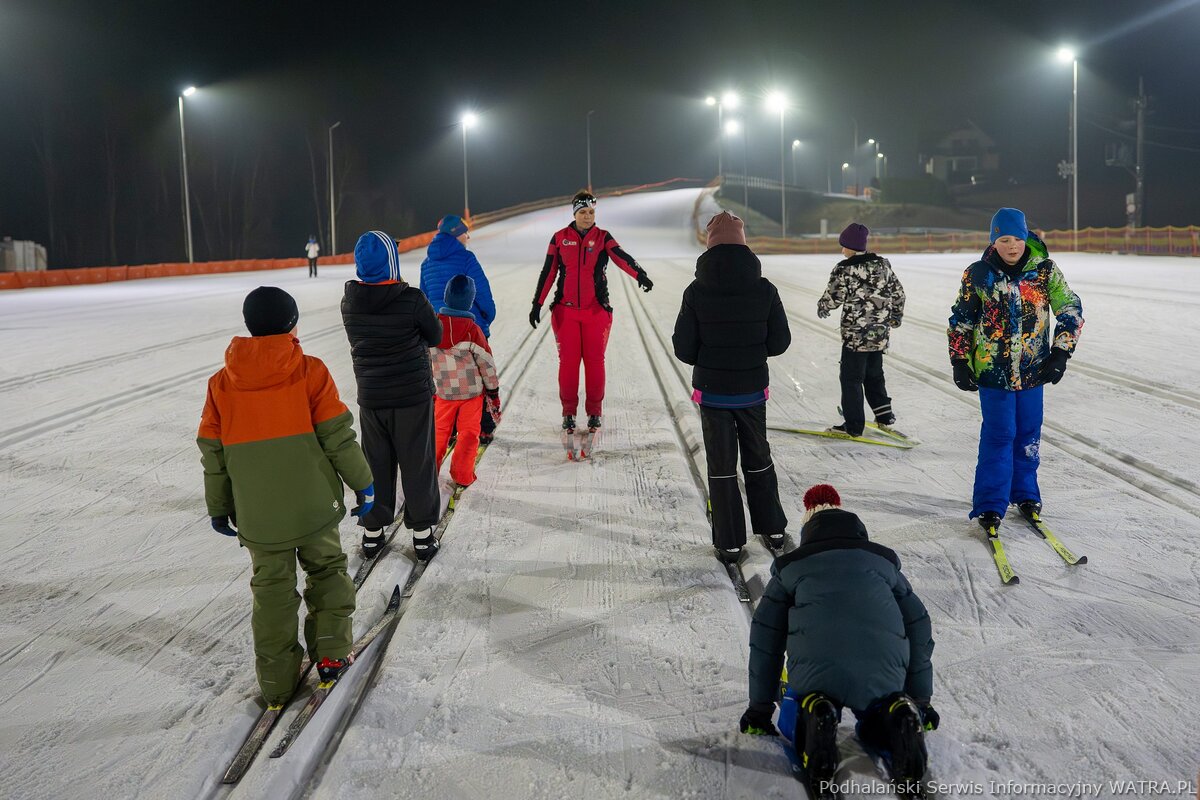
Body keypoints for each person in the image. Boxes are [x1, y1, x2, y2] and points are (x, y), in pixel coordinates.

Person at [197, 286, 375, 703]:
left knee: (272, 592)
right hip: (314, 506)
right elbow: (338, 437)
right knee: (327, 572)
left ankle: (276, 682)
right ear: (293, 323)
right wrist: (363, 483)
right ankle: (331, 654)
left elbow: (213, 454)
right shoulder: (310, 371)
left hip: (259, 516)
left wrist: (219, 507)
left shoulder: (220, 385)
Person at [739, 484, 937, 796]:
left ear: (807, 530)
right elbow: (918, 624)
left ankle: (814, 711)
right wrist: (921, 701)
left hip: (817, 673)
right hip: (882, 671)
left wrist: (759, 710)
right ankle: (896, 713)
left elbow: (766, 638)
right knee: (878, 712)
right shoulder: (883, 563)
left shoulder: (791, 568)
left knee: (795, 712)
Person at [948, 207, 1084, 530]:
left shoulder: (1045, 272)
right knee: (999, 434)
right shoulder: (978, 274)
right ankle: (990, 502)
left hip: (1033, 371)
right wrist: (959, 360)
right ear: (993, 241)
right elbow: (961, 319)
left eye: (1017, 239)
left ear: (1026, 238)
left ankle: (1025, 494)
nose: (1012, 246)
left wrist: (1060, 352)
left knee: (1027, 434)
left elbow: (1070, 308)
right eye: (1004, 239)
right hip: (992, 373)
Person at [672, 211, 790, 563]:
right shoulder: (765, 289)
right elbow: (780, 341)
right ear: (743, 244)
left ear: (710, 245)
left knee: (722, 465)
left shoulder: (696, 290)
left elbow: (683, 348)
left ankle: (730, 541)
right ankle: (772, 527)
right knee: (759, 457)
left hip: (713, 392)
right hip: (752, 389)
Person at [342, 230, 444, 561]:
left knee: (374, 463)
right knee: (418, 462)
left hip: (372, 397)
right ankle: (423, 536)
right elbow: (435, 335)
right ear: (391, 263)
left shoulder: (350, 301)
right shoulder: (412, 299)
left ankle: (372, 533)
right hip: (412, 397)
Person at [529, 190, 653, 434]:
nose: (588, 217)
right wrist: (537, 304)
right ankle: (568, 412)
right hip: (565, 313)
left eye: (591, 212)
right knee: (568, 364)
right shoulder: (559, 238)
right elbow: (548, 272)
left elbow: (621, 257)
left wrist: (640, 274)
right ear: (574, 213)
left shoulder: (603, 237)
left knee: (595, 363)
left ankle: (594, 412)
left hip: (596, 312)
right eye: (583, 212)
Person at [817, 222, 906, 436]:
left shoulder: (844, 269)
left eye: (843, 246)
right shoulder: (883, 265)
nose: (842, 250)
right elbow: (898, 294)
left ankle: (854, 425)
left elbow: (834, 296)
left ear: (850, 247)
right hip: (879, 334)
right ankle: (885, 416)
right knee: (875, 375)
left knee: (851, 379)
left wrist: (823, 306)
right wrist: (895, 317)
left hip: (855, 336)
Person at [420, 215, 499, 445]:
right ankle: (483, 427)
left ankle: (449, 427)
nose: (468, 237)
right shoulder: (466, 258)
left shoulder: (427, 263)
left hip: (438, 329)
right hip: (468, 327)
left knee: (444, 379)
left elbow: (423, 297)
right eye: (465, 232)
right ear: (456, 234)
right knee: (477, 377)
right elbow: (482, 292)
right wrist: (486, 317)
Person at [430, 274, 501, 487]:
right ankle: (462, 474)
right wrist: (493, 390)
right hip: (471, 395)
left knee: (439, 432)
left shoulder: (433, 328)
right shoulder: (473, 331)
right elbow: (486, 363)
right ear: (470, 301)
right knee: (469, 434)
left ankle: (427, 473)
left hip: (443, 393)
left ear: (446, 297)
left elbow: (424, 358)